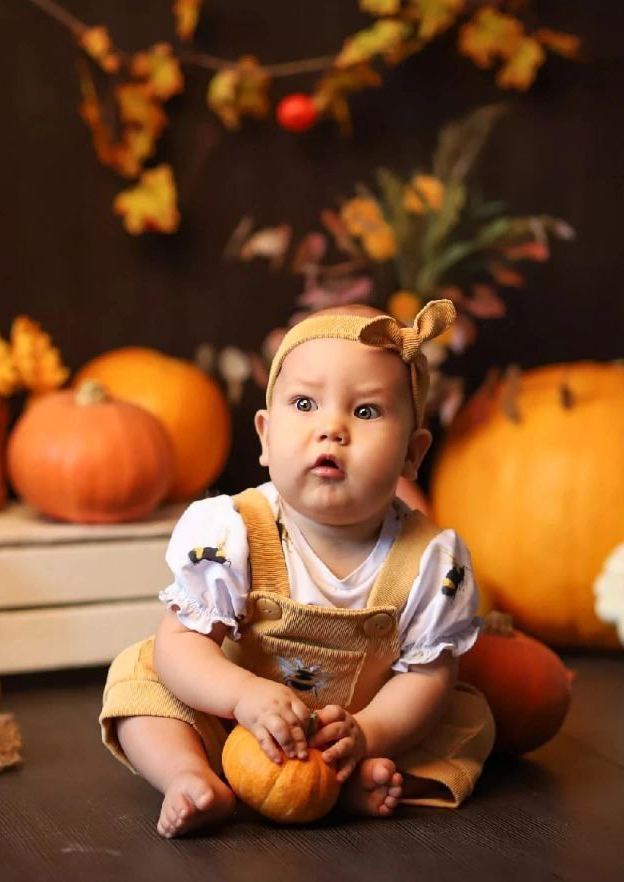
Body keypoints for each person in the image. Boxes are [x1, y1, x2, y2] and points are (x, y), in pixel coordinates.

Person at [100, 300, 494, 838]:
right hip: (235, 720)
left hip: (355, 726)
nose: (331, 429)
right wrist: (241, 695)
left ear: (412, 453)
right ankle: (189, 776)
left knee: (464, 720)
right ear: (265, 436)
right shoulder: (233, 532)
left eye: (366, 412)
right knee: (141, 677)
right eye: (305, 403)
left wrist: (369, 733)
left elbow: (427, 676)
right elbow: (182, 646)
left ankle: (340, 778)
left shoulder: (429, 560)